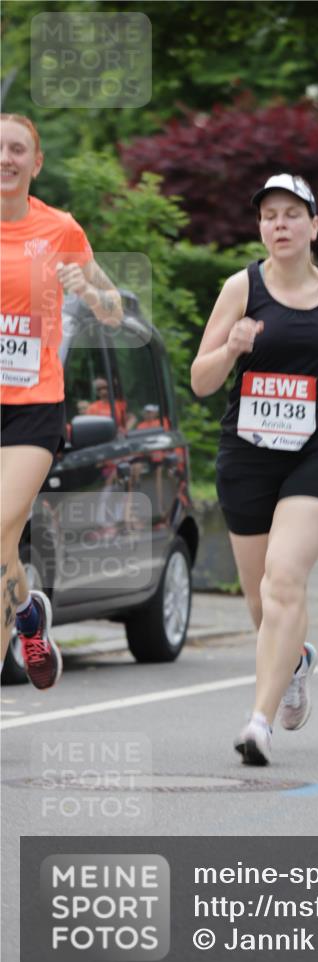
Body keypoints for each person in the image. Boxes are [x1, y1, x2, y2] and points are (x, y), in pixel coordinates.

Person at [191, 173, 318, 765]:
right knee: (262, 606)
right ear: (261, 228)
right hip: (248, 456)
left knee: (283, 578)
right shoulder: (240, 288)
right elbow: (202, 381)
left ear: (314, 226)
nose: (279, 224)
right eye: (269, 215)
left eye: (291, 214)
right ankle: (296, 659)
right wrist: (231, 349)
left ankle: (258, 722)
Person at [1, 113, 122, 688]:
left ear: (36, 162)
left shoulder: (59, 230)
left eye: (17, 149)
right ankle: (27, 613)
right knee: (2, 542)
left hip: (32, 405)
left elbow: (115, 308)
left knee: (0, 525)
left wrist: (90, 290)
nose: (5, 158)